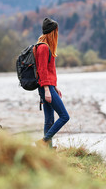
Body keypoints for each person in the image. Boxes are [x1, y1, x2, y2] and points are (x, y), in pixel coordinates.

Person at [35, 17, 70, 147]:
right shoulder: (43, 48)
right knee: (64, 116)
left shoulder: (45, 46)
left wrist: (54, 87)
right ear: (52, 32)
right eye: (56, 31)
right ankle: (44, 142)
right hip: (45, 87)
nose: (57, 34)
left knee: (49, 120)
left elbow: (48, 70)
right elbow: (42, 70)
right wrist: (47, 89)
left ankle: (48, 151)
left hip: (48, 86)